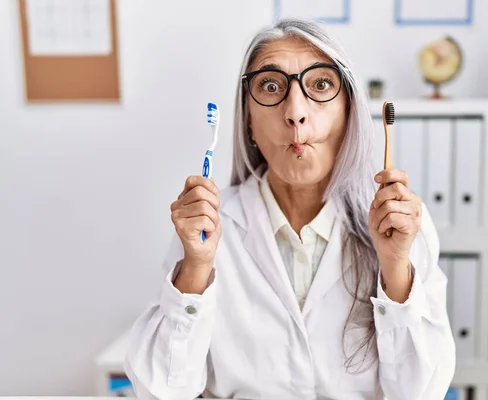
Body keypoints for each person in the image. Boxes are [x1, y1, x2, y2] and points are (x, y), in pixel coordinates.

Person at [124, 17, 456, 400]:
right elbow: (159, 390)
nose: (295, 112)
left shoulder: (399, 222)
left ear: (348, 112)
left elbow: (422, 392)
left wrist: (396, 267)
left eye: (320, 85)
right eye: (270, 86)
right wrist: (196, 270)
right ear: (247, 120)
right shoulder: (209, 227)